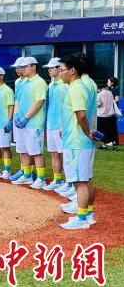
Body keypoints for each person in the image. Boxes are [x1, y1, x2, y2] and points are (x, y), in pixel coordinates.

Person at [58, 54, 101, 229]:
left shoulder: (75, 88)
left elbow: (81, 115)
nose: (60, 73)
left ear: (73, 71)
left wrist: (87, 133)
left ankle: (81, 218)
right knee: (86, 179)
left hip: (77, 141)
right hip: (82, 142)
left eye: (62, 70)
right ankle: (88, 214)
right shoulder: (84, 85)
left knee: (80, 182)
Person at [13, 57, 49, 188]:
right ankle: (27, 175)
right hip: (21, 123)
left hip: (34, 123)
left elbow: (39, 102)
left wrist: (26, 117)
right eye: (22, 67)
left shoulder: (39, 82)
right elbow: (17, 100)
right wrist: (16, 114)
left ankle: (41, 178)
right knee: (23, 150)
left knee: (36, 152)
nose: (22, 69)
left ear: (34, 67)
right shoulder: (22, 82)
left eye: (25, 66)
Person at [43, 58, 67, 189]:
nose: (49, 70)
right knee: (54, 153)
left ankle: (68, 182)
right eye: (49, 68)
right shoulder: (50, 85)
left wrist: (64, 124)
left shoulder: (65, 85)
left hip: (61, 125)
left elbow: (67, 107)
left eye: (52, 68)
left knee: (64, 154)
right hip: (51, 124)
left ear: (59, 69)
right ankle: (57, 180)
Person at [97, 83, 118, 150]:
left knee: (102, 131)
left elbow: (99, 104)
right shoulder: (110, 93)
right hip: (111, 115)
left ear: (100, 88)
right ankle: (114, 145)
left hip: (102, 115)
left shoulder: (99, 94)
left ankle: (104, 145)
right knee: (111, 131)